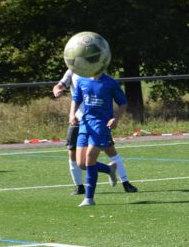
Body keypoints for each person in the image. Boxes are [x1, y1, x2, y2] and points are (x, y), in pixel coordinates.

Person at [54, 69, 137, 196]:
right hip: (79, 121)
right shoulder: (73, 71)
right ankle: (80, 186)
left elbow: (122, 103)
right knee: (73, 154)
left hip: (99, 122)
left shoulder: (104, 78)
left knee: (109, 150)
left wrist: (115, 118)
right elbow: (61, 85)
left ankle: (125, 183)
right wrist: (57, 90)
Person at [70, 70, 130, 207]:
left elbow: (123, 103)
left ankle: (89, 199)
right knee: (81, 164)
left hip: (101, 125)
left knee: (90, 159)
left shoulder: (110, 83)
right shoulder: (82, 81)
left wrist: (116, 118)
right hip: (85, 124)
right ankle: (109, 170)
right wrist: (71, 114)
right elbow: (76, 98)